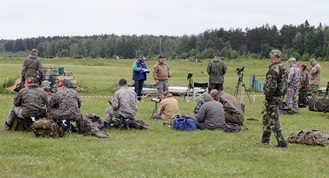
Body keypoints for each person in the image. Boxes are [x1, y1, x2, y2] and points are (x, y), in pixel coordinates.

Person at [261, 49, 287, 148]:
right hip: (279, 96)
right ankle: (265, 140)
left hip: (273, 98)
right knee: (266, 118)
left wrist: (268, 96)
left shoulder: (274, 69)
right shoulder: (282, 68)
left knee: (273, 120)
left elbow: (272, 85)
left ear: (272, 57)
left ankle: (282, 142)